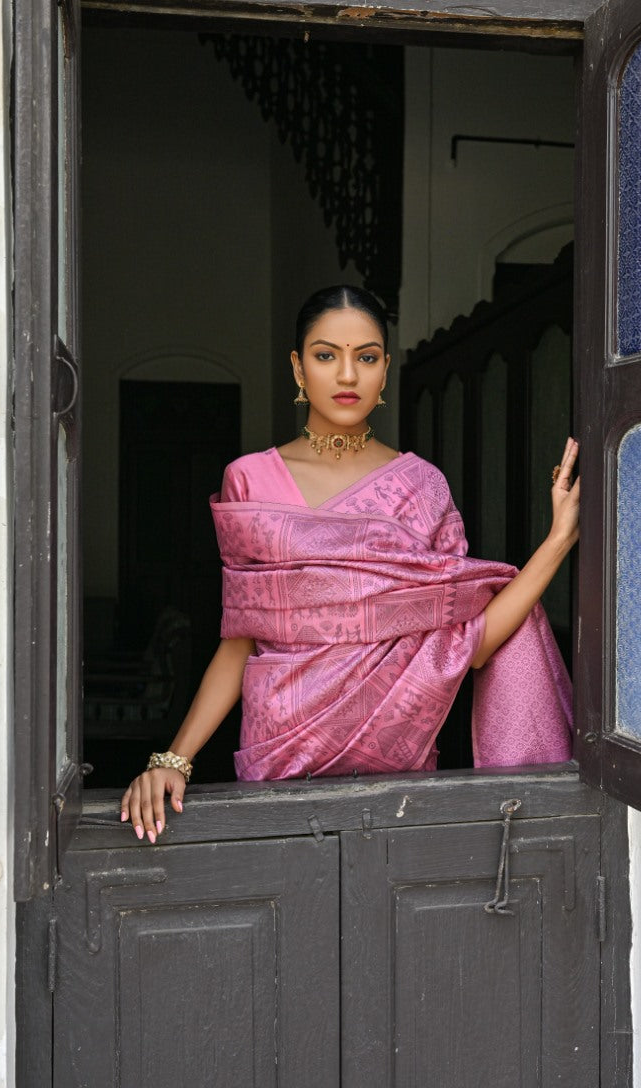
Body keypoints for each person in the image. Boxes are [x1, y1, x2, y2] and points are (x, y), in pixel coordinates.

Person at [121, 285, 580, 843]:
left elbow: (471, 642)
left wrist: (557, 540)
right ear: (297, 368)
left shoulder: (421, 488)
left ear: (385, 370)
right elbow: (239, 641)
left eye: (365, 357)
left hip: (396, 771)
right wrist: (174, 758)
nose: (346, 375)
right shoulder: (251, 480)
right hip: (281, 757)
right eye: (325, 355)